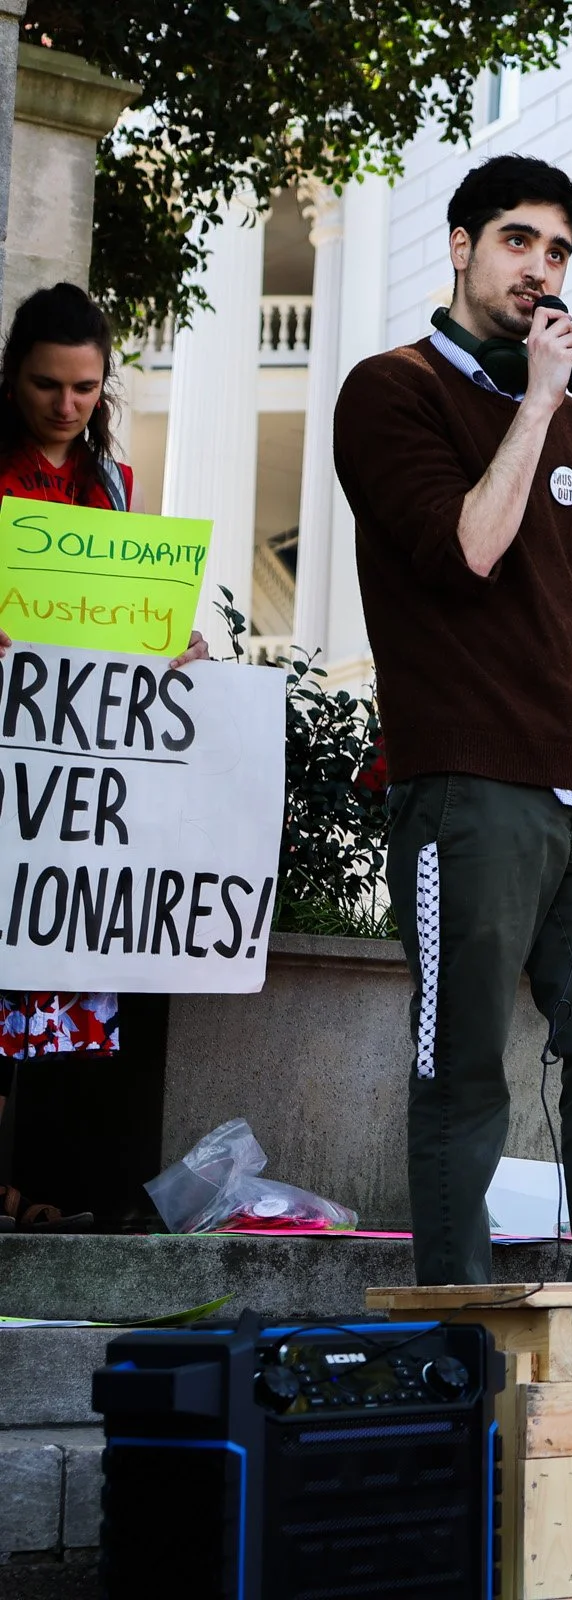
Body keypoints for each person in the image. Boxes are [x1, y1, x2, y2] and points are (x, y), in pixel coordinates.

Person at [333, 155, 572, 1286]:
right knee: (464, 1067)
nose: (539, 268)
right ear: (462, 245)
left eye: (558, 250)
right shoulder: (390, 390)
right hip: (468, 788)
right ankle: (465, 1336)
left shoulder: (568, 426)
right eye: (518, 241)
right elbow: (469, 548)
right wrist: (534, 402)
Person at [0, 283, 207, 1234]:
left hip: (76, 781)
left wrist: (175, 644)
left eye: (85, 388)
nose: (67, 405)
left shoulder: (112, 484)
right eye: (48, 384)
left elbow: (119, 622)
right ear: (14, 376)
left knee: (74, 971)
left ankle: (55, 1181)